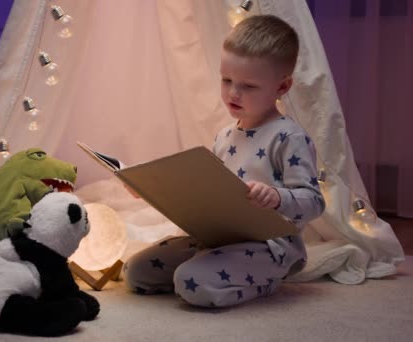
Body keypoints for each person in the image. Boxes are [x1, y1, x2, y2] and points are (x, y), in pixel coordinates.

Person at [123, 15, 325, 307]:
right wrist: (151, 189)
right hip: (217, 239)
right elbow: (209, 194)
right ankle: (210, 267)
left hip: (268, 247)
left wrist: (277, 198)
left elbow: (314, 201)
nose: (233, 92)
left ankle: (264, 280)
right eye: (226, 79)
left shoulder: (288, 137)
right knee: (136, 273)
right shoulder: (224, 136)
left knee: (193, 284)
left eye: (249, 86)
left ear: (282, 87)